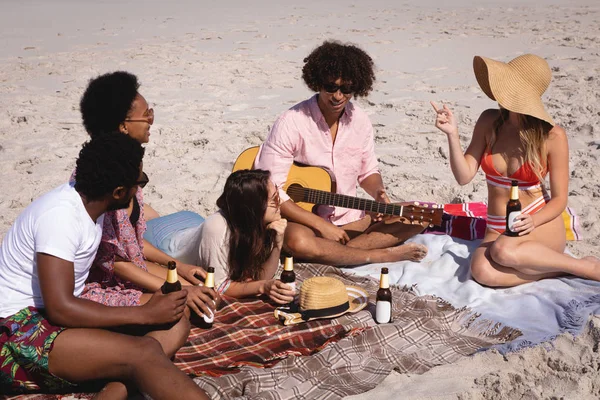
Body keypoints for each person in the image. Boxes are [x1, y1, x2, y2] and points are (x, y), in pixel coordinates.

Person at [0, 134, 209, 399]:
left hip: (58, 313)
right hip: (17, 330)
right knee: (143, 352)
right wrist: (144, 313)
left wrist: (156, 303)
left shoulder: (92, 204)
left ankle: (116, 388)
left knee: (175, 318)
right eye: (139, 183)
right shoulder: (60, 217)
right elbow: (60, 307)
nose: (140, 191)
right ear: (119, 192)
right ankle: (133, 368)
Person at [432, 53, 600, 287]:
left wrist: (534, 220)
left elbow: (560, 199)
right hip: (496, 226)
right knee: (482, 272)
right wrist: (452, 134)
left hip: (536, 222)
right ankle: (555, 270)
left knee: (502, 251)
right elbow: (463, 176)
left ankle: (584, 266)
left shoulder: (552, 135)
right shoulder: (489, 121)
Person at [254, 40, 428, 266]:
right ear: (317, 82)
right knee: (298, 241)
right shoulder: (291, 122)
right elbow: (272, 190)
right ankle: (377, 254)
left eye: (346, 89)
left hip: (350, 218)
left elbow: (368, 171)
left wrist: (378, 194)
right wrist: (320, 225)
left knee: (418, 217)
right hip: (302, 221)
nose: (337, 96)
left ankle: (336, 252)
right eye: (331, 87)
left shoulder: (360, 120)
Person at [78, 71, 209, 317]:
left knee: (203, 291)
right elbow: (113, 261)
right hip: (101, 282)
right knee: (186, 306)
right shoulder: (103, 178)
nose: (151, 120)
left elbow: (133, 244)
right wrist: (172, 287)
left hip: (132, 266)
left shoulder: (128, 165)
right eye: (146, 115)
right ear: (122, 126)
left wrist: (178, 267)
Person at [198, 169, 295, 304]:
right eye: (273, 199)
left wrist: (277, 245)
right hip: (174, 246)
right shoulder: (217, 227)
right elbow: (219, 286)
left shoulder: (261, 223)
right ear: (254, 206)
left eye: (278, 195)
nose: (279, 203)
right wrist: (263, 287)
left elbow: (262, 276)